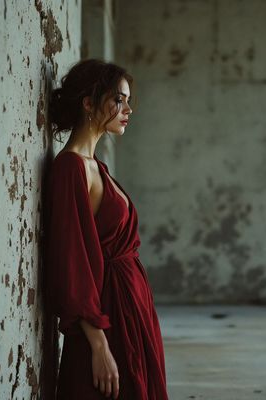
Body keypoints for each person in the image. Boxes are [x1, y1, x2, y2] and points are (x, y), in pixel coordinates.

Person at [45, 59, 169, 400]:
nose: (128, 108)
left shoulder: (97, 165)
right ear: (89, 103)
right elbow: (73, 262)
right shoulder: (71, 168)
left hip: (129, 310)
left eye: (128, 100)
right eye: (119, 99)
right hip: (107, 319)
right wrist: (99, 346)